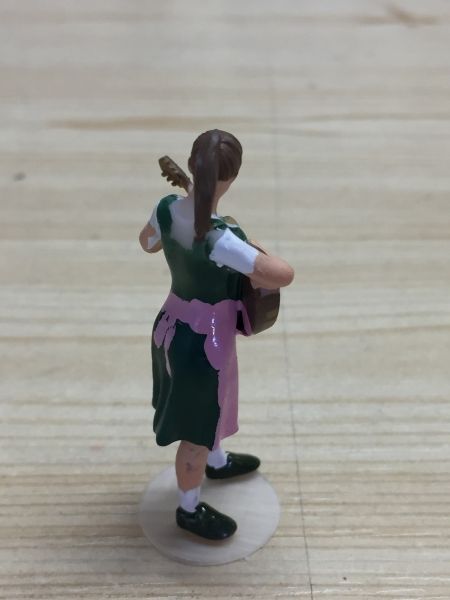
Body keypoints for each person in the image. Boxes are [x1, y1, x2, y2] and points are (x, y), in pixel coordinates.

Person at [139, 129, 294, 540]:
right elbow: (283, 274)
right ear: (232, 177)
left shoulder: (166, 208)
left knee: (213, 406)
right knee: (197, 426)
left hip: (171, 325)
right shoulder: (222, 239)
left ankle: (217, 460)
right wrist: (252, 244)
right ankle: (189, 508)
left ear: (192, 165)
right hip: (205, 341)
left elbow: (147, 243)